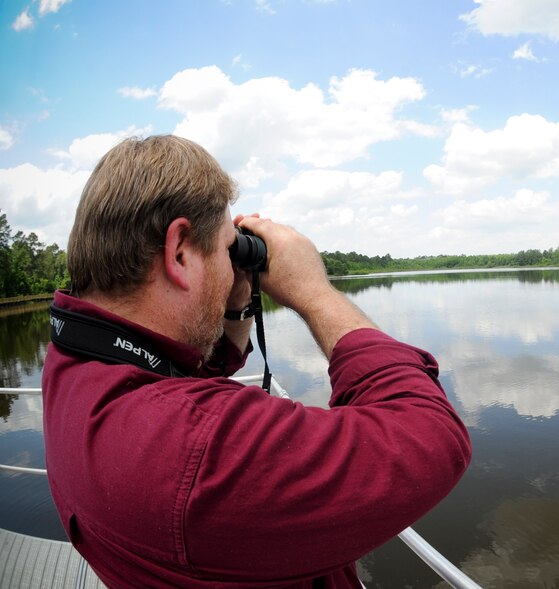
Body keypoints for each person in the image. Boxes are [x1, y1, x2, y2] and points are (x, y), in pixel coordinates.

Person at [41, 135, 472, 588]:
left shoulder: (75, 361)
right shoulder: (200, 454)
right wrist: (313, 291)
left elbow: (190, 371)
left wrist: (235, 296)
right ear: (180, 251)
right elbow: (430, 435)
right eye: (226, 249)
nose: (232, 264)